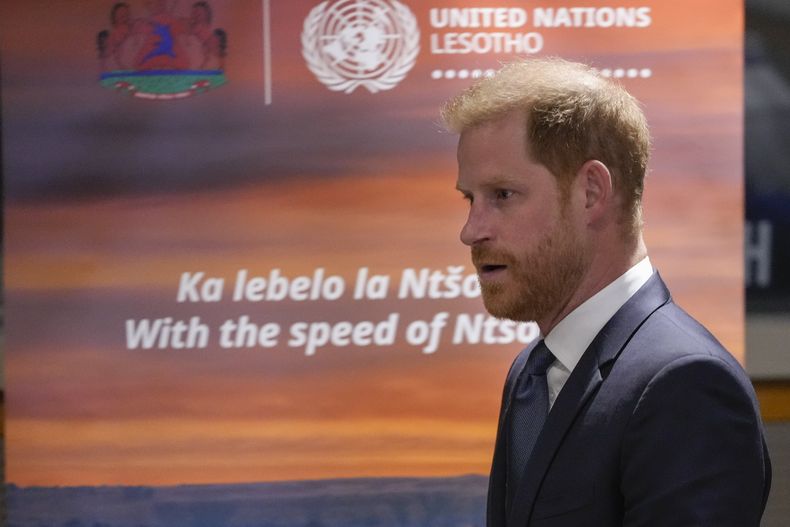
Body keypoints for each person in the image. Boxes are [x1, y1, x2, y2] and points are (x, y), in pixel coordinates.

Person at [442, 58, 771, 526]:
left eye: (503, 195)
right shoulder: (531, 373)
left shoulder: (686, 383)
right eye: (469, 198)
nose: (471, 230)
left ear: (591, 192)